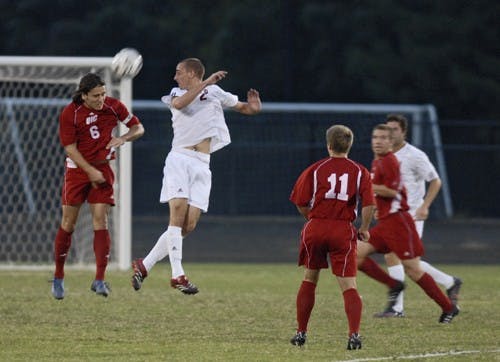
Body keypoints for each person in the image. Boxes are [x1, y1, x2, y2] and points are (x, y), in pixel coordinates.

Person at [131, 58, 261, 294]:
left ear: (192, 73)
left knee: (187, 226)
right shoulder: (175, 93)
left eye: (178, 72)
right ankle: (177, 274)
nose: (175, 76)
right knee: (177, 211)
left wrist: (252, 108)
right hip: (180, 158)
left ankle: (145, 264)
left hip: (202, 164)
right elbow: (180, 104)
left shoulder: (214, 91)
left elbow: (242, 107)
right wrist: (208, 81)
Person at [51, 73, 145, 299]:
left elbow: (138, 128)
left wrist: (123, 138)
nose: (101, 98)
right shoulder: (70, 113)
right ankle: (58, 276)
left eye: (103, 93)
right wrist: (89, 171)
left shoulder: (113, 106)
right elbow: (70, 148)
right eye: (95, 96)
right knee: (68, 222)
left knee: (101, 219)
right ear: (83, 95)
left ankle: (100, 280)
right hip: (77, 171)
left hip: (102, 169)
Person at [357, 124, 459, 323]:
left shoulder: (390, 161)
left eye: (382, 138)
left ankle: (448, 307)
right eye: (374, 137)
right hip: (385, 223)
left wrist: (368, 185)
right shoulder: (378, 161)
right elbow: (380, 192)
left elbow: (392, 191)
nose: (377, 141)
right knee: (353, 254)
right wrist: (377, 205)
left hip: (398, 223)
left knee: (413, 269)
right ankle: (394, 285)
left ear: (390, 141)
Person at [289, 125, 375, 350]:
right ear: (350, 145)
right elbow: (369, 203)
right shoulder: (360, 171)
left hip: (316, 227)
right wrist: (364, 227)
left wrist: (313, 218)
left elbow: (299, 200)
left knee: (310, 278)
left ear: (328, 145)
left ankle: (301, 333)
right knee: (349, 285)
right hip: (342, 229)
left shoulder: (316, 169)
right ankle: (354, 335)